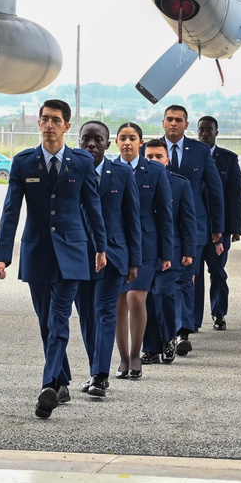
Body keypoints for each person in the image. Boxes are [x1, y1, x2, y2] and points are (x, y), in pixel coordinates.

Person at [0, 99, 107, 419]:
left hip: (72, 253)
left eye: (56, 120)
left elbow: (92, 207)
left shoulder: (81, 162)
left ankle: (48, 387)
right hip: (37, 252)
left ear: (66, 126)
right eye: (44, 119)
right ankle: (61, 380)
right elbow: (11, 212)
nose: (49, 125)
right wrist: (3, 256)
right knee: (46, 321)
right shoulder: (24, 163)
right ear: (39, 123)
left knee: (59, 320)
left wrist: (100, 248)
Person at [74, 121, 142, 396]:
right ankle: (94, 370)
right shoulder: (71, 172)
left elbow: (132, 218)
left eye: (97, 139)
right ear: (78, 142)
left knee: (104, 312)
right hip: (78, 256)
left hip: (114, 256)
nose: (91, 144)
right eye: (85, 140)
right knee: (87, 317)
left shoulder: (123, 174)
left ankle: (100, 375)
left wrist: (134, 261)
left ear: (107, 143)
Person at [160, 105, 225, 354]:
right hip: (160, 228)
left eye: (178, 120)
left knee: (187, 279)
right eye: (169, 119)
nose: (173, 123)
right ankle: (164, 331)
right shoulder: (152, 150)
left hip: (192, 226)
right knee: (165, 282)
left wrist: (217, 226)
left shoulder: (199, 151)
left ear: (187, 125)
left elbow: (214, 189)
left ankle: (183, 330)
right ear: (163, 122)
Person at [113, 123, 174, 377]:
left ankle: (137, 354)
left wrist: (167, 253)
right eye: (123, 138)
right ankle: (123, 358)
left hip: (147, 246)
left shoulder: (155, 171)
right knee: (117, 303)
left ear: (141, 143)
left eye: (133, 138)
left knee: (136, 299)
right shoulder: (108, 170)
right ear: (116, 142)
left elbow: (165, 214)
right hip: (116, 244)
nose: (127, 142)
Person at [141, 139, 198, 368]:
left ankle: (168, 338)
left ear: (167, 160)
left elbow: (188, 219)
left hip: (172, 251)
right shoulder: (135, 180)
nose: (154, 160)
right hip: (144, 251)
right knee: (145, 300)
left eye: (158, 156)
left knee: (164, 294)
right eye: (149, 156)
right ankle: (151, 349)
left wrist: (189, 251)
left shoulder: (180, 184)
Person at [195, 115, 241, 332]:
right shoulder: (191, 157)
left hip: (220, 228)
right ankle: (193, 320)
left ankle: (219, 313)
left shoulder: (228, 159)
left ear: (216, 133)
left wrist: (235, 228)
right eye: (201, 130)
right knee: (193, 275)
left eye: (209, 130)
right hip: (195, 226)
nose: (205, 134)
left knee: (217, 271)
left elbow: (235, 196)